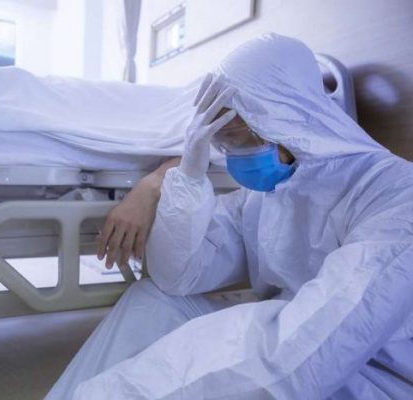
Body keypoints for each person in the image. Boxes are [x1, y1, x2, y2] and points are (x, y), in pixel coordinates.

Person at [46, 33, 413, 399]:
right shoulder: (267, 196)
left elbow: (305, 359)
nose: (232, 154)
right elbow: (176, 278)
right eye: (221, 143)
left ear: (288, 119)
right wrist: (187, 179)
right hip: (295, 344)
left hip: (366, 375)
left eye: (237, 139)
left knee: (234, 335)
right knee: (153, 301)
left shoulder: (397, 198)